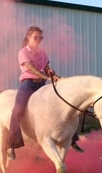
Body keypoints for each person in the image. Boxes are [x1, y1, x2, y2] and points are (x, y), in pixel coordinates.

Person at [7, 26, 83, 160]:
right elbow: (31, 68)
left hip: (41, 84)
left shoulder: (42, 52)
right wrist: (46, 77)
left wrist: (52, 73)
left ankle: (72, 140)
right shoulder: (23, 52)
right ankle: (11, 145)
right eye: (36, 37)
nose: (38, 40)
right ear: (28, 38)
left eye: (40, 38)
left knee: (64, 106)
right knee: (17, 110)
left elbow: (47, 67)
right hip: (28, 84)